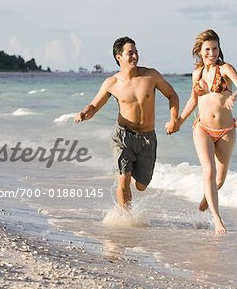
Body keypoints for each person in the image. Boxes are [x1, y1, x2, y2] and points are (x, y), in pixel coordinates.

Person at [75, 36, 180, 209]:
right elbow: (94, 106)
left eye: (136, 52)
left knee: (141, 185)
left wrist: (173, 119)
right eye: (130, 53)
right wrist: (84, 113)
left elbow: (172, 95)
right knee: (123, 179)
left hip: (147, 138)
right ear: (119, 57)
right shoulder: (112, 83)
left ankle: (130, 179)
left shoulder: (151, 75)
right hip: (123, 136)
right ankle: (126, 220)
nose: (135, 57)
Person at [176, 29, 237, 234]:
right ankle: (218, 220)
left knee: (220, 180)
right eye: (207, 49)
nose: (212, 53)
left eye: (215, 48)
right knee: (209, 171)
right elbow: (193, 100)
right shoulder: (196, 74)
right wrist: (179, 121)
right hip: (202, 128)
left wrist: (234, 97)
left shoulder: (225, 69)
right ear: (200, 51)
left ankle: (207, 197)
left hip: (226, 130)